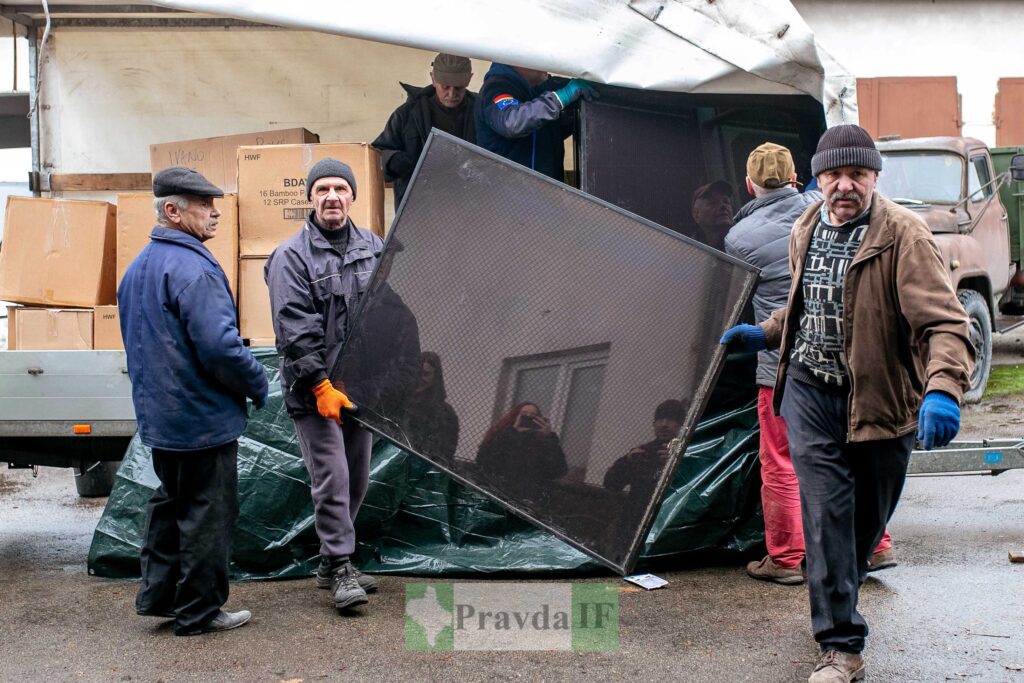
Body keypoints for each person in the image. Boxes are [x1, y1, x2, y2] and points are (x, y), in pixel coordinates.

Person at [721, 124, 974, 683]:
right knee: (827, 519)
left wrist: (941, 390)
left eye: (857, 175)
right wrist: (766, 333)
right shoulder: (807, 225)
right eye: (834, 175)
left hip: (881, 401)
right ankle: (840, 646)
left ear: (874, 178)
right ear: (816, 178)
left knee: (864, 526)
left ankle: (840, 584)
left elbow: (946, 325)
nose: (845, 186)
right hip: (811, 392)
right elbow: (807, 304)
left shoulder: (904, 237)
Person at [724, 142, 894, 587]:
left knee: (780, 460)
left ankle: (785, 557)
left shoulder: (739, 239)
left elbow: (732, 305)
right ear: (800, 177)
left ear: (749, 184)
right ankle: (876, 546)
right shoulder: (825, 214)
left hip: (779, 366)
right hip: (842, 360)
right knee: (854, 453)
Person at [118, 167, 269, 637]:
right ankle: (200, 612)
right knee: (208, 514)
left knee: (170, 505)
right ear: (172, 210)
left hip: (161, 418)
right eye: (204, 204)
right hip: (200, 419)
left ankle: (159, 597)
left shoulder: (139, 267)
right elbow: (221, 348)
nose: (215, 211)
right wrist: (257, 380)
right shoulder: (195, 268)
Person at [264, 158, 384, 612]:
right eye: (322, 189)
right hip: (312, 389)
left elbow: (389, 316)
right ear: (310, 198)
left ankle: (329, 559)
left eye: (340, 188)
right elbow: (294, 326)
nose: (332, 196)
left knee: (356, 478)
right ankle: (338, 565)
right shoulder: (290, 256)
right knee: (331, 476)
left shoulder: (373, 247)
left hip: (358, 389)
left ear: (353, 196)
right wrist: (318, 385)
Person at [373, 53, 477, 210]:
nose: (451, 94)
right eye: (445, 87)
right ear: (433, 79)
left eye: (458, 88)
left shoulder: (481, 112)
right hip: (418, 208)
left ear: (469, 79)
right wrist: (393, 160)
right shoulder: (406, 114)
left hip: (470, 205)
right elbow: (376, 155)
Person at [474, 63, 595, 181]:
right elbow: (512, 122)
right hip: (507, 195)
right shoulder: (496, 88)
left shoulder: (538, 88)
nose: (546, 63)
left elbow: (543, 134)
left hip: (545, 193)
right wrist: (560, 98)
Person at [603, 399, 687, 540]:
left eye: (670, 420)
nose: (664, 424)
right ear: (654, 424)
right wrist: (627, 462)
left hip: (669, 527)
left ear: (681, 425)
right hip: (634, 527)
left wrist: (677, 464)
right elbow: (611, 483)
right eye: (660, 419)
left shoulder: (688, 453)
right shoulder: (643, 453)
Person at [475, 402, 568, 499]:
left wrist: (548, 438)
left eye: (533, 416)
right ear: (516, 416)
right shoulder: (501, 434)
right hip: (498, 491)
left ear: (538, 420)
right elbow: (485, 461)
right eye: (524, 414)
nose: (528, 417)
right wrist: (512, 432)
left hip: (529, 496)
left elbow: (559, 470)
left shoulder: (542, 441)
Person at [401, 352, 460, 466]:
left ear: (435, 378)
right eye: (416, 373)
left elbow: (444, 454)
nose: (419, 379)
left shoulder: (445, 414)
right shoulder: (397, 400)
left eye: (425, 374)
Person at [690, 180, 735, 250]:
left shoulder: (747, 240)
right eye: (713, 203)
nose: (723, 206)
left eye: (726, 202)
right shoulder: (688, 252)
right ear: (696, 215)